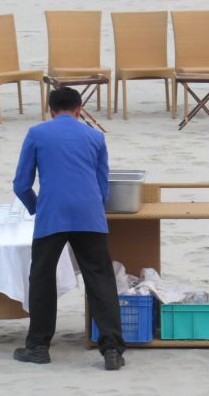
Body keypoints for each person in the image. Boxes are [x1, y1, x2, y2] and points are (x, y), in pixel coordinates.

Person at [12, 87, 125, 370]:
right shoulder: (95, 136)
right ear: (79, 109)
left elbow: (21, 184)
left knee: (41, 278)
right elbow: (102, 187)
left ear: (50, 110)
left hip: (53, 215)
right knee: (99, 278)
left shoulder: (37, 134)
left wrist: (37, 206)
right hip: (89, 215)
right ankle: (112, 350)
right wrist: (92, 208)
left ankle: (38, 346)